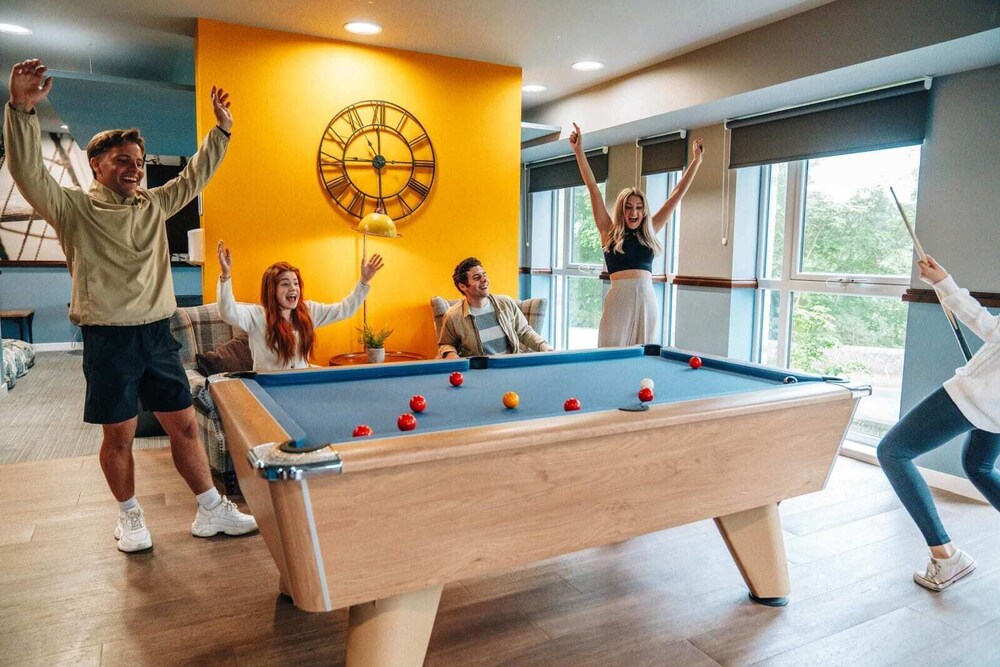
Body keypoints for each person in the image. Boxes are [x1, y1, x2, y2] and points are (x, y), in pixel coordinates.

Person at [4, 58, 257, 553]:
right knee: (118, 436)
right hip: (109, 338)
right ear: (97, 165)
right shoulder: (72, 207)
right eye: (122, 160)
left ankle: (211, 509)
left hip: (158, 333)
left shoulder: (153, 205)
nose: (135, 169)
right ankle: (130, 517)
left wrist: (222, 132)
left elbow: (195, 176)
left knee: (184, 425)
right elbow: (27, 172)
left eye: (138, 162)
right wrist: (20, 109)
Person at [877, 254, 1000, 591]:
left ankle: (946, 556)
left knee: (892, 452)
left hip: (973, 398)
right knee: (978, 466)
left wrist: (943, 282)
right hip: (994, 409)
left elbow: (990, 328)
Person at [569, 122, 704, 347]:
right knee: (611, 352)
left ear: (644, 210)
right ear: (621, 210)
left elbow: (675, 196)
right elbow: (592, 186)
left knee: (644, 351)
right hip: (619, 301)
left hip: (647, 300)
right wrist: (578, 151)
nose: (634, 212)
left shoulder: (649, 231)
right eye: (629, 207)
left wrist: (696, 162)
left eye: (639, 207)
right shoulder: (608, 231)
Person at [215, 241, 384, 370]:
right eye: (285, 284)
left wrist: (363, 282)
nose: (293, 288)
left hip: (301, 381)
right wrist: (225, 275)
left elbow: (344, 310)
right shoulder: (256, 316)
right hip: (269, 388)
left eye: (296, 283)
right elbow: (227, 312)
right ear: (272, 290)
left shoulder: (309, 311)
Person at [438, 257, 552, 359]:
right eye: (477, 278)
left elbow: (525, 332)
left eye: (484, 275)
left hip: (510, 367)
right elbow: (446, 344)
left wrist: (543, 345)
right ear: (462, 286)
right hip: (479, 371)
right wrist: (450, 354)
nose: (484, 280)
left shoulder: (506, 303)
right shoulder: (453, 316)